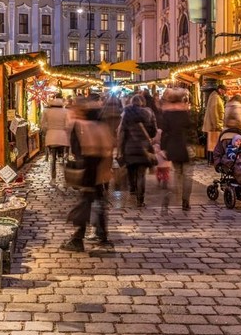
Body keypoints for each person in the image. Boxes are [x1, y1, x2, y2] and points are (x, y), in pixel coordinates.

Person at [60, 102, 113, 252]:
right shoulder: (101, 127)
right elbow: (108, 148)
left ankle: (78, 238)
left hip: (88, 168)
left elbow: (77, 148)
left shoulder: (82, 126)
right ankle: (101, 234)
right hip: (99, 168)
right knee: (97, 201)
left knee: (87, 201)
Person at [159, 87, 194, 211]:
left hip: (173, 148)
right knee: (188, 175)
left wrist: (163, 148)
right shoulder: (185, 113)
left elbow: (164, 132)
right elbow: (191, 130)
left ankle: (170, 194)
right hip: (185, 147)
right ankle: (185, 201)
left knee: (177, 172)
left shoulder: (167, 113)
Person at [119, 95, 157, 207]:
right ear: (142, 103)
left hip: (129, 147)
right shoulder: (149, 113)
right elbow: (154, 131)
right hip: (143, 148)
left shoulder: (126, 114)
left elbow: (122, 132)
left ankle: (132, 189)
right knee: (141, 174)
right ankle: (140, 200)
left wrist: (120, 148)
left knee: (131, 169)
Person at [40, 96, 71, 183]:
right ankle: (66, 178)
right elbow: (68, 125)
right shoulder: (66, 111)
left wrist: (48, 130)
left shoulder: (46, 111)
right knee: (62, 158)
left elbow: (43, 124)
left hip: (51, 137)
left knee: (52, 158)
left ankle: (53, 178)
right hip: (62, 137)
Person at [202, 83, 226, 161]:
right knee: (213, 144)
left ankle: (211, 159)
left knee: (211, 144)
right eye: (224, 91)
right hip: (213, 126)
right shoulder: (215, 97)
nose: (224, 93)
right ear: (220, 90)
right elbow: (214, 112)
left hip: (213, 125)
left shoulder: (214, 96)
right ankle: (212, 160)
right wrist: (217, 125)